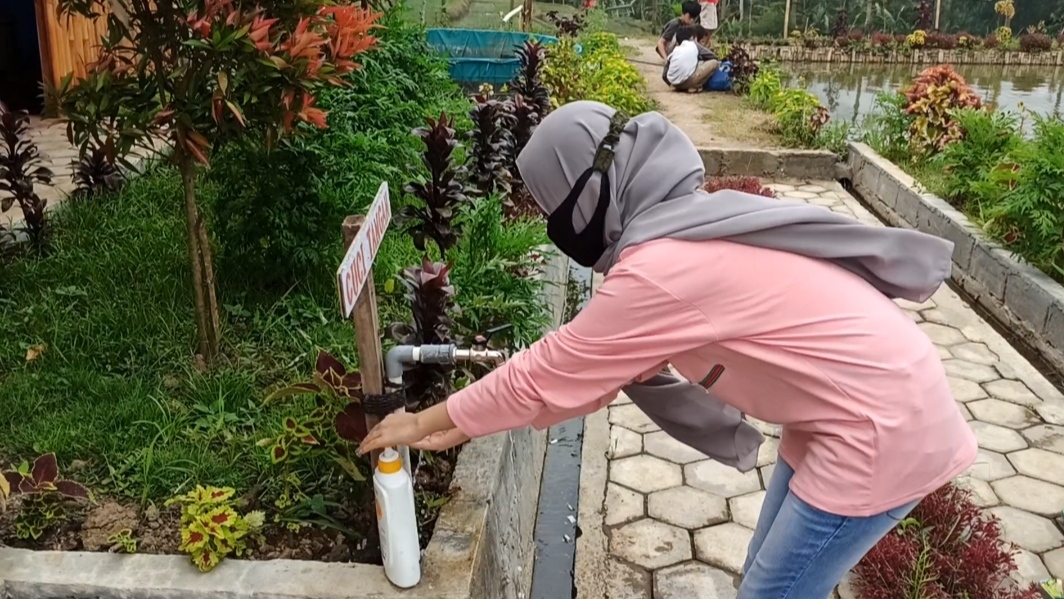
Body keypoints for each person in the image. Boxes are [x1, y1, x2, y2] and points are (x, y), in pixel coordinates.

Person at [358, 101, 978, 599]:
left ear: (594, 190)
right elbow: (590, 377)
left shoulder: (662, 268)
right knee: (771, 572)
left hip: (881, 428)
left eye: (554, 205)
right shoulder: (685, 221)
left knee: (774, 590)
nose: (555, 226)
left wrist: (425, 421)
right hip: (853, 404)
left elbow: (549, 373)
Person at [663, 25, 719, 93]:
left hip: (674, 84)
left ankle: (682, 86)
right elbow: (713, 56)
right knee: (714, 63)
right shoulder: (693, 44)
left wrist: (671, 83)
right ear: (692, 37)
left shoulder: (676, 50)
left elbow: (664, 74)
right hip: (687, 82)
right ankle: (696, 85)